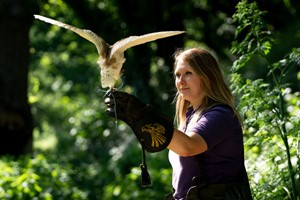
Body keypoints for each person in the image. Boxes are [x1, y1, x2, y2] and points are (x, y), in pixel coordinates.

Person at [104, 48, 253, 200]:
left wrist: (143, 114)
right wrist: (138, 119)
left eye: (188, 73)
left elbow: (188, 147)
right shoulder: (189, 117)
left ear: (207, 76)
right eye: (177, 75)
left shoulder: (220, 115)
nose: (180, 81)